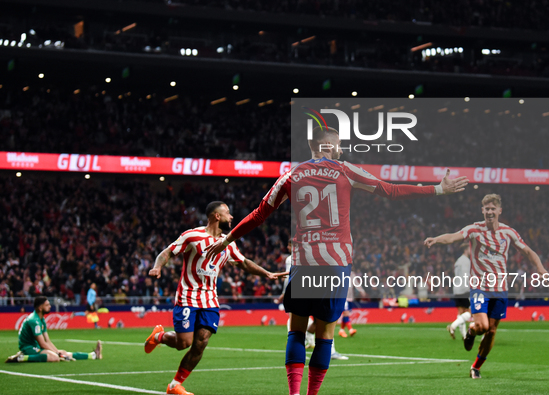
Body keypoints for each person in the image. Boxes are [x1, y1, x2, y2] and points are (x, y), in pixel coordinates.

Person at [205, 126, 468, 395]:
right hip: (335, 263)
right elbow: (390, 190)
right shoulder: (345, 170)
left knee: (296, 331)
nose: (341, 148)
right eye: (339, 143)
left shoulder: (292, 175)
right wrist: (437, 190)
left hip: (305, 262)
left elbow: (259, 214)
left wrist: (227, 239)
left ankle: (294, 393)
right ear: (328, 145)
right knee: (325, 335)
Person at [143, 201, 286, 395]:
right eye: (227, 213)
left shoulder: (228, 243)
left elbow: (244, 263)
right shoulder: (192, 236)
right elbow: (167, 252)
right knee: (183, 343)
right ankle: (159, 336)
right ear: (217, 216)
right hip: (188, 296)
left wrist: (266, 274)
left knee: (201, 342)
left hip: (210, 300)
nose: (232, 217)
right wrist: (157, 266)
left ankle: (175, 385)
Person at [424, 193, 548, 379]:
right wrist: (436, 239)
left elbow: (528, 251)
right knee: (481, 326)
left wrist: (541, 268)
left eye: (493, 209)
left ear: (499, 210)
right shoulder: (474, 229)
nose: (490, 212)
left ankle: (476, 367)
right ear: (482, 210)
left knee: (491, 330)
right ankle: (472, 332)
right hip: (479, 287)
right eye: (486, 209)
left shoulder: (509, 232)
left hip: (500, 289)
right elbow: (454, 237)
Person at [6, 296, 102, 363]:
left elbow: (47, 340)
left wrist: (59, 352)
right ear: (40, 308)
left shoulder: (41, 318)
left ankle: (93, 355)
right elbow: (42, 343)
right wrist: (57, 353)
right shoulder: (34, 320)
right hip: (28, 347)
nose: (50, 306)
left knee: (63, 352)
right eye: (47, 305)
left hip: (34, 345)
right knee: (54, 357)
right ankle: (22, 357)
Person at [446, 243, 472, 340]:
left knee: (461, 313)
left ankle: (464, 336)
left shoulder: (457, 261)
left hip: (456, 289)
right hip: (464, 289)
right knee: (471, 311)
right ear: (465, 250)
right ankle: (453, 326)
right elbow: (466, 276)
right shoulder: (466, 261)